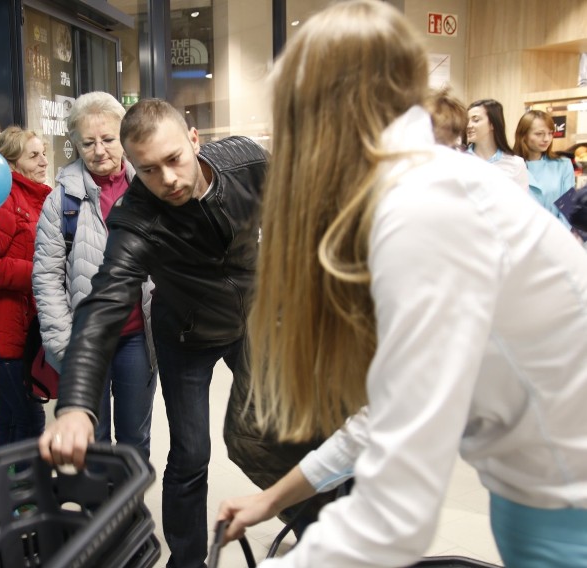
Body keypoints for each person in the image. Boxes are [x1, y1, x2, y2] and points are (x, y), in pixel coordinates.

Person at [215, 1, 587, 567]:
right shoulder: (422, 187)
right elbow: (387, 411)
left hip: (566, 512)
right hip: (539, 497)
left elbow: (397, 513)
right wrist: (273, 499)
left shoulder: (422, 209)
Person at [38, 97, 277, 568]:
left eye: (174, 160)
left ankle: (311, 512)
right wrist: (75, 405)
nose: (166, 179)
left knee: (269, 432)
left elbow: (302, 215)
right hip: (184, 335)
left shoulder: (248, 162)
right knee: (191, 454)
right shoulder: (136, 218)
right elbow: (104, 304)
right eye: (148, 170)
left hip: (252, 323)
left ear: (194, 140)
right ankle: (186, 562)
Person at [32, 92, 157, 459]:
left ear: (125, 139)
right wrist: (64, 345)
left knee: (135, 440)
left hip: (137, 338)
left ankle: (128, 513)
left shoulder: (149, 189)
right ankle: (99, 513)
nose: (99, 150)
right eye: (88, 142)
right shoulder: (61, 201)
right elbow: (47, 279)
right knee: (93, 441)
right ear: (76, 145)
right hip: (84, 342)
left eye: (108, 139)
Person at [0, 125, 51, 445]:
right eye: (33, 155)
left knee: (9, 420)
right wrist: (41, 272)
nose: (43, 161)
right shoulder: (4, 200)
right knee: (30, 420)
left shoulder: (38, 198)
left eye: (44, 153)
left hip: (28, 327)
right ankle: (29, 489)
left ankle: (10, 490)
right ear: (11, 164)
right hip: (5, 328)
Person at [514, 109, 575, 227]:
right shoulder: (510, 165)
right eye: (539, 134)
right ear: (523, 135)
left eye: (550, 133)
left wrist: (557, 236)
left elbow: (568, 209)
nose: (546, 139)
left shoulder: (563, 164)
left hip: (557, 235)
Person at [466, 99, 529, 190]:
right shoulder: (458, 161)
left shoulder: (516, 164)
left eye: (475, 120)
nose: (469, 125)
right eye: (467, 121)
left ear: (493, 124)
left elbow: (521, 202)